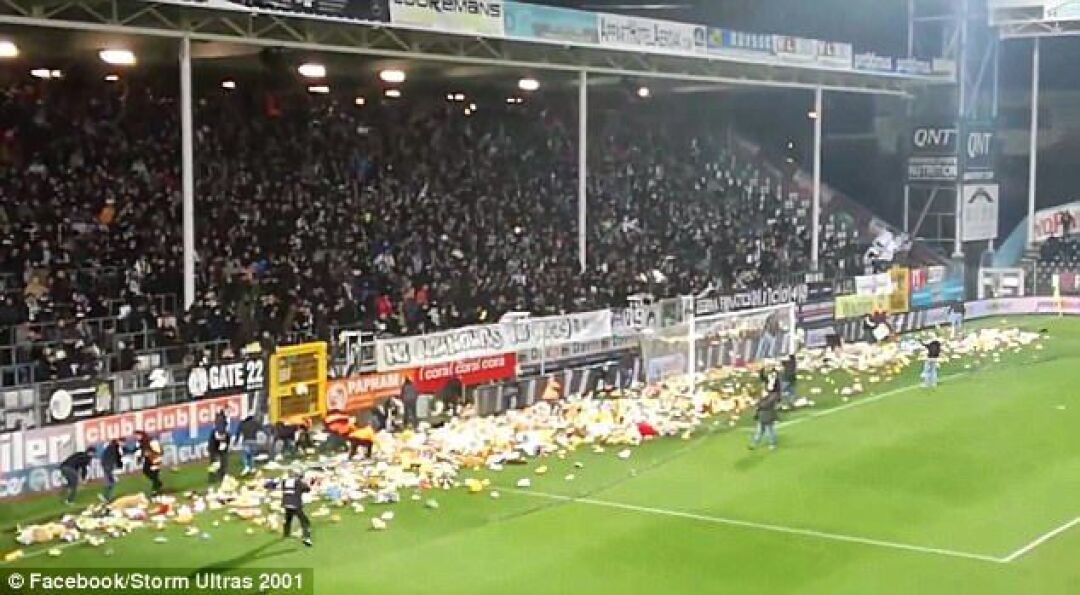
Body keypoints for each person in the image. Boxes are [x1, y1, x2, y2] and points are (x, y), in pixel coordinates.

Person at [749, 371, 781, 450]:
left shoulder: (773, 395)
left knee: (769, 431)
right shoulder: (765, 394)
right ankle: (754, 443)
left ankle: (772, 444)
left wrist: (758, 403)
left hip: (768, 416)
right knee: (759, 431)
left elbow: (766, 404)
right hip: (761, 416)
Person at [279, 472, 313, 547]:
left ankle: (286, 534)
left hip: (286, 504)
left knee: (288, 519)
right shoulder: (298, 482)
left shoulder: (285, 482)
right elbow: (307, 489)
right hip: (295, 504)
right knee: (305, 521)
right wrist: (306, 482)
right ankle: (306, 538)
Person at [135, 431, 164, 495]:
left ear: (142, 435)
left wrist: (151, 454)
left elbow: (159, 451)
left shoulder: (152, 441)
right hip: (148, 460)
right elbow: (142, 451)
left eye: (138, 435)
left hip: (155, 459)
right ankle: (158, 483)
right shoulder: (141, 442)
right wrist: (139, 459)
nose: (136, 437)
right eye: (136, 436)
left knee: (154, 474)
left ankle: (155, 490)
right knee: (145, 471)